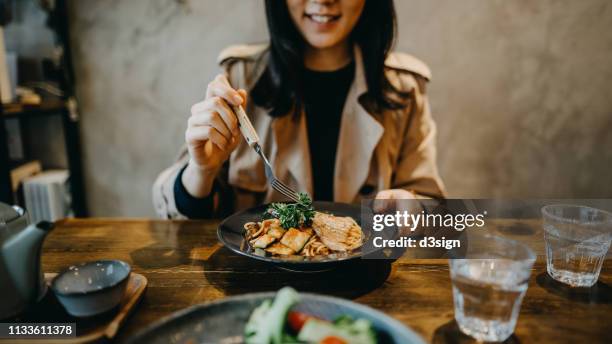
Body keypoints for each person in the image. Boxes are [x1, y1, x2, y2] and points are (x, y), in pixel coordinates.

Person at [153, 0, 446, 219]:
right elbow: (170, 207)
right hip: (256, 286)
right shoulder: (240, 77)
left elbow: (435, 212)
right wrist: (202, 171)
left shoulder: (405, 89)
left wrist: (412, 208)